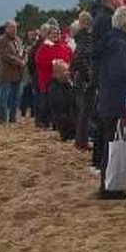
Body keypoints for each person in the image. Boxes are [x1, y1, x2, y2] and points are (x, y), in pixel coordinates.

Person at [93, 6, 126, 198]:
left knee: (112, 144)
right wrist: (125, 106)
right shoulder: (119, 45)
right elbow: (119, 75)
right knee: (113, 145)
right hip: (116, 102)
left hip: (108, 99)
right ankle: (110, 188)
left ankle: (111, 185)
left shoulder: (113, 42)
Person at [35, 25, 72, 128]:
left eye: (57, 33)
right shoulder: (43, 48)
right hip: (48, 79)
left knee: (61, 103)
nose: (56, 35)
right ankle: (44, 122)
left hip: (63, 79)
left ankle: (58, 124)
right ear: (48, 35)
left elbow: (70, 58)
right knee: (47, 102)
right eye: (53, 33)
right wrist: (53, 63)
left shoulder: (64, 47)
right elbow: (39, 62)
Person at [70, 11, 93, 151]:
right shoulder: (86, 38)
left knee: (83, 112)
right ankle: (82, 142)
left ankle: (81, 141)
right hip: (84, 79)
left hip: (80, 77)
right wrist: (89, 75)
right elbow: (80, 59)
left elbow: (77, 59)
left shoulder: (80, 38)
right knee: (85, 112)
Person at [0, 20, 24, 124]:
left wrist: (23, 59)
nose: (14, 30)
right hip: (7, 72)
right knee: (4, 96)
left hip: (18, 72)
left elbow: (22, 51)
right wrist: (18, 61)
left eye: (15, 28)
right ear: (6, 28)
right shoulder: (2, 40)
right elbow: (5, 55)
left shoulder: (18, 40)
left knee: (15, 96)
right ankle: (2, 118)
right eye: (12, 28)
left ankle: (13, 118)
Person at [47, 60, 77, 141]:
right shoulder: (54, 88)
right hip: (65, 122)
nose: (68, 73)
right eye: (65, 71)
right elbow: (61, 105)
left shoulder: (68, 85)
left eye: (68, 70)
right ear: (56, 74)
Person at [19, 29, 38, 118]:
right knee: (25, 91)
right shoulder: (24, 46)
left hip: (34, 70)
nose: (32, 37)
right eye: (30, 35)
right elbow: (21, 57)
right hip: (26, 70)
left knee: (33, 92)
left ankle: (33, 112)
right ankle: (23, 110)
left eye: (33, 35)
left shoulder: (36, 45)